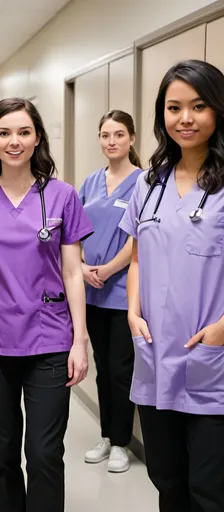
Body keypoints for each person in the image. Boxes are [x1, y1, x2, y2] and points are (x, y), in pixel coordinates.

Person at [0, 98, 93, 512]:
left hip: (49, 338)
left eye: (24, 132)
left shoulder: (62, 196)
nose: (15, 141)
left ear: (37, 138)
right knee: (2, 452)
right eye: (5, 132)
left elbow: (72, 272)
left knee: (45, 454)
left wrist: (79, 340)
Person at [120, 59, 224, 512]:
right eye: (174, 107)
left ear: (218, 110)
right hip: (155, 351)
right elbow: (139, 255)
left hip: (212, 355)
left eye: (199, 106)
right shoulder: (150, 183)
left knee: (209, 486)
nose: (185, 118)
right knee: (166, 478)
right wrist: (132, 310)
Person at [79, 110, 143, 473]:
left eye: (119, 134)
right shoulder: (90, 182)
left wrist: (108, 269)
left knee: (121, 368)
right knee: (102, 368)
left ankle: (121, 442)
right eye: (105, 135)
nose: (112, 141)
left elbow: (140, 237)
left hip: (122, 289)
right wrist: (85, 267)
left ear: (132, 138)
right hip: (92, 289)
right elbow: (75, 229)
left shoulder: (145, 181)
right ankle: (107, 435)